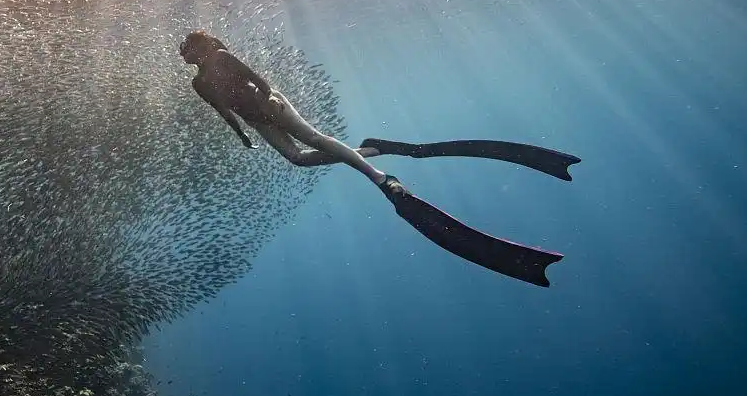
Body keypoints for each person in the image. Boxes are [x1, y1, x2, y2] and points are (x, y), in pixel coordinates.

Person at [179, 31, 581, 288]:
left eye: (189, 46)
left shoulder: (222, 57)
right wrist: (243, 135)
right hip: (256, 120)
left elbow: (255, 76)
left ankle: (379, 176)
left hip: (271, 105)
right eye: (186, 50)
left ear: (201, 46)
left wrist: (268, 95)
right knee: (298, 159)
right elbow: (223, 111)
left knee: (314, 138)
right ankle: (375, 148)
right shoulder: (199, 82)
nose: (187, 52)